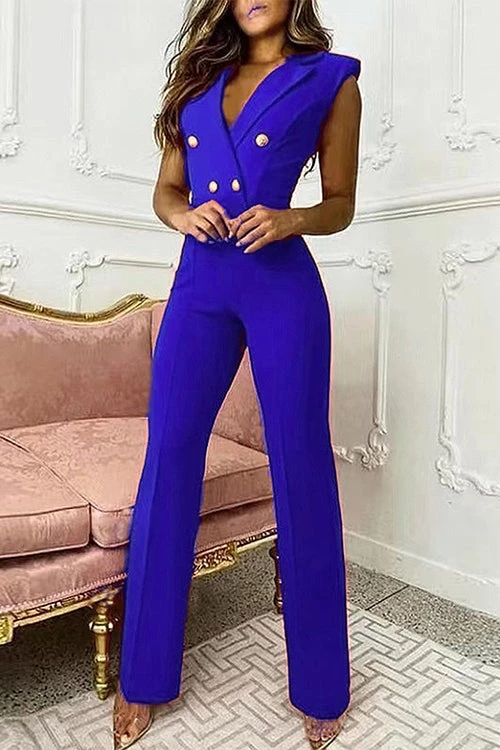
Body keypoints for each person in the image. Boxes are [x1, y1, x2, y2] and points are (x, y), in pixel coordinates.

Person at [112, 0, 362, 747]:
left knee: (301, 466)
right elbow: (166, 191)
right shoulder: (196, 82)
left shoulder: (330, 79)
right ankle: (142, 678)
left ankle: (321, 685)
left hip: (282, 286)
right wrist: (182, 216)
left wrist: (291, 219)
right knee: (168, 458)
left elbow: (342, 204)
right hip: (199, 287)